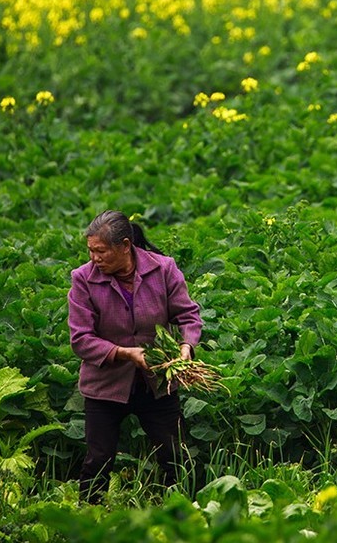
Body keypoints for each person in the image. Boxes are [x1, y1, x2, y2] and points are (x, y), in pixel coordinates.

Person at [68, 210, 203, 503]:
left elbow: (188, 315)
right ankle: (89, 515)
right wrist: (125, 353)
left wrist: (186, 347)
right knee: (98, 458)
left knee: (175, 455)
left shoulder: (163, 269)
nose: (94, 258)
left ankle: (185, 511)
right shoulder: (83, 279)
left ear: (125, 246)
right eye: (90, 250)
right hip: (105, 385)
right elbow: (81, 339)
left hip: (156, 379)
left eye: (101, 251)